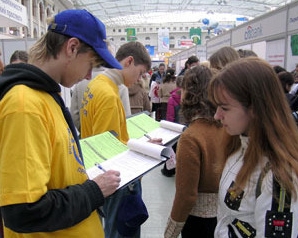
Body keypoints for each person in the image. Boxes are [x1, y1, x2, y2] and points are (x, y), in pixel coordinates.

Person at [0, 9, 122, 238]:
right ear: (72, 47)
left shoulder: (45, 97)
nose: (88, 76)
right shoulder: (24, 106)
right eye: (91, 64)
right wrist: (94, 191)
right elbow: (24, 211)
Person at [209, 57, 298, 237]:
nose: (217, 116)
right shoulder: (237, 146)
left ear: (255, 108)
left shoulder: (278, 175)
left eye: (224, 108)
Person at [80, 41, 154, 238]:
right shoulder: (109, 96)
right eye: (139, 73)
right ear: (129, 61)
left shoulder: (96, 85)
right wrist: (142, 152)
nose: (140, 79)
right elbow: (109, 152)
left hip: (94, 169)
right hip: (116, 179)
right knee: (117, 232)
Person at [164, 66, 231, 238]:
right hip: (225, 215)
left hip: (197, 222)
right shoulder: (228, 129)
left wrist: (170, 232)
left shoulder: (191, 137)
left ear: (189, 93)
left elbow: (186, 195)